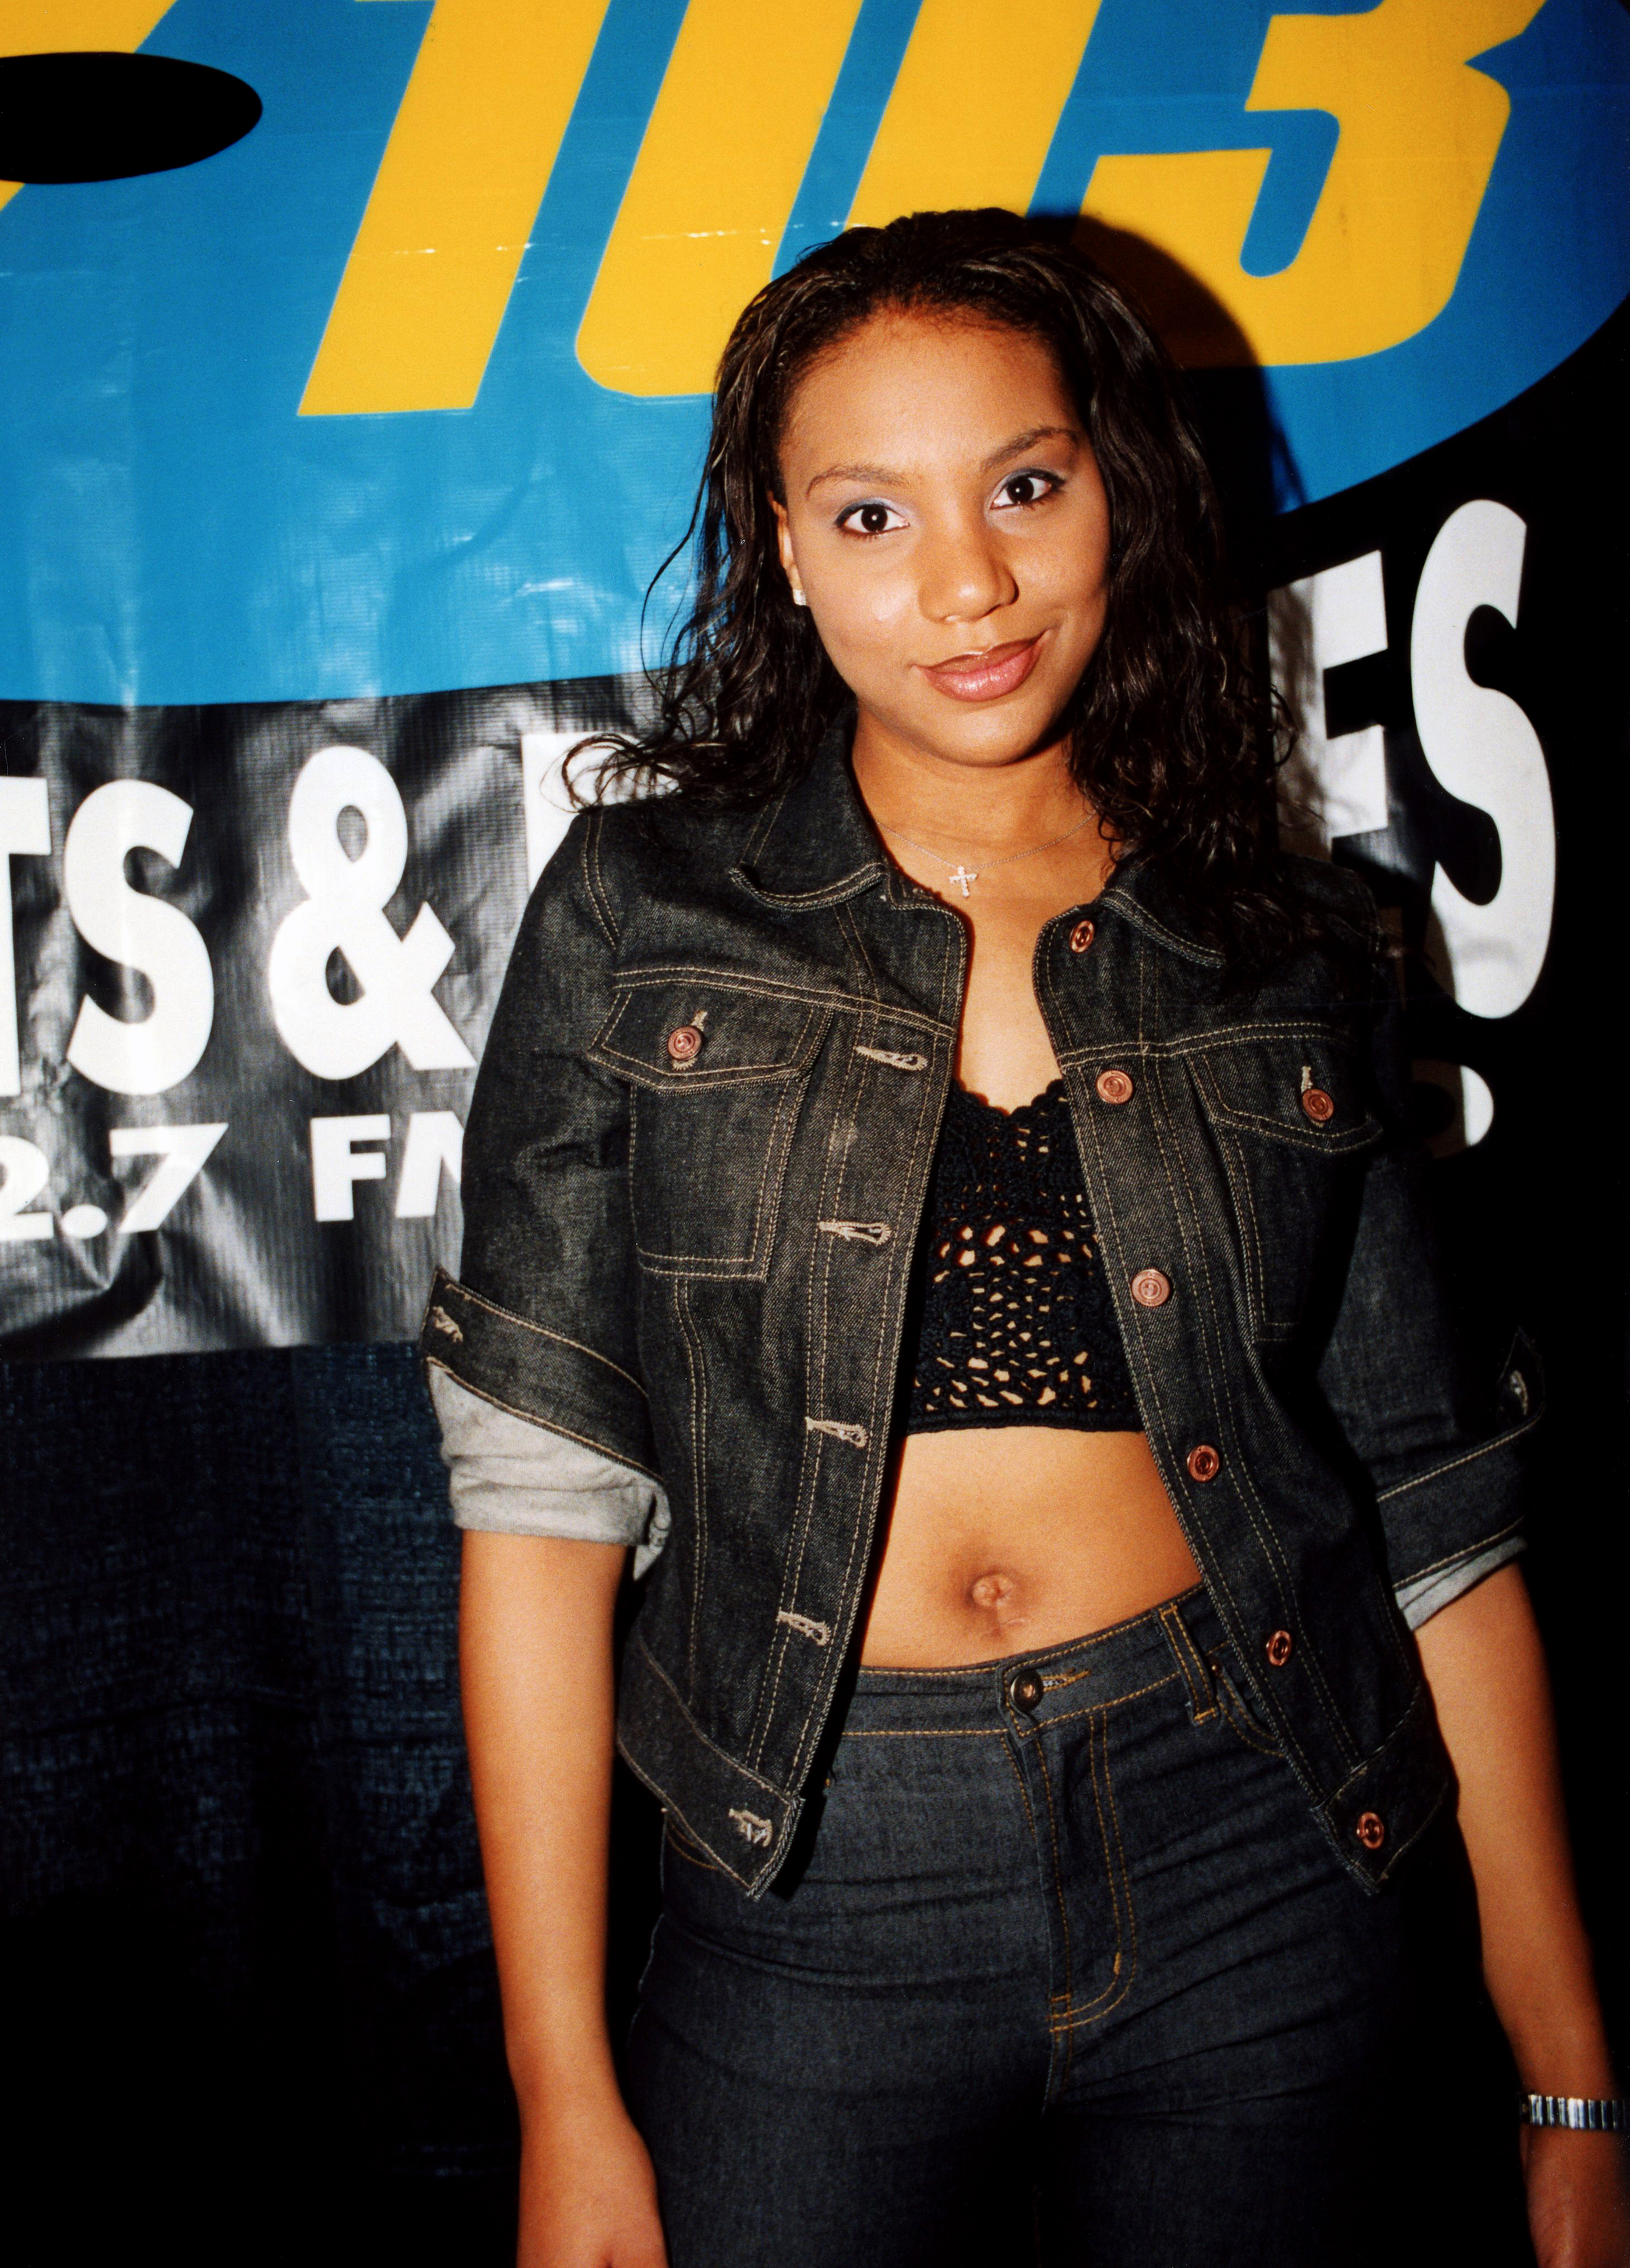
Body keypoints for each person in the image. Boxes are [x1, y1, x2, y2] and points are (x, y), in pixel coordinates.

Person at [424, 212, 1626, 2267]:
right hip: (809, 1884)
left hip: (1260, 1836)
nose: (966, 582)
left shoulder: (1296, 943)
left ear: (1118, 492)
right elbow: (539, 1515)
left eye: (1026, 487)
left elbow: (1439, 1521)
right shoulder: (639, 913)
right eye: (872, 514)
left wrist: (1572, 2084)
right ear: (786, 550)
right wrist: (563, 2094)